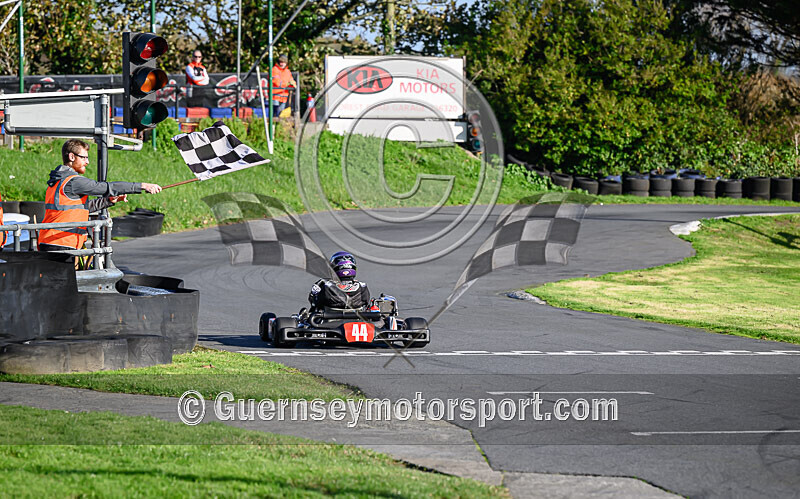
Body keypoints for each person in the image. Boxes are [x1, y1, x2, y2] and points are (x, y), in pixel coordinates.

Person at [39, 139, 162, 253]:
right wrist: (142, 186)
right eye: (84, 158)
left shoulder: (56, 182)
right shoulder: (74, 182)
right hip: (62, 243)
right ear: (72, 157)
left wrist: (109, 200)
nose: (87, 162)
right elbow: (106, 187)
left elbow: (81, 208)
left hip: (52, 241)